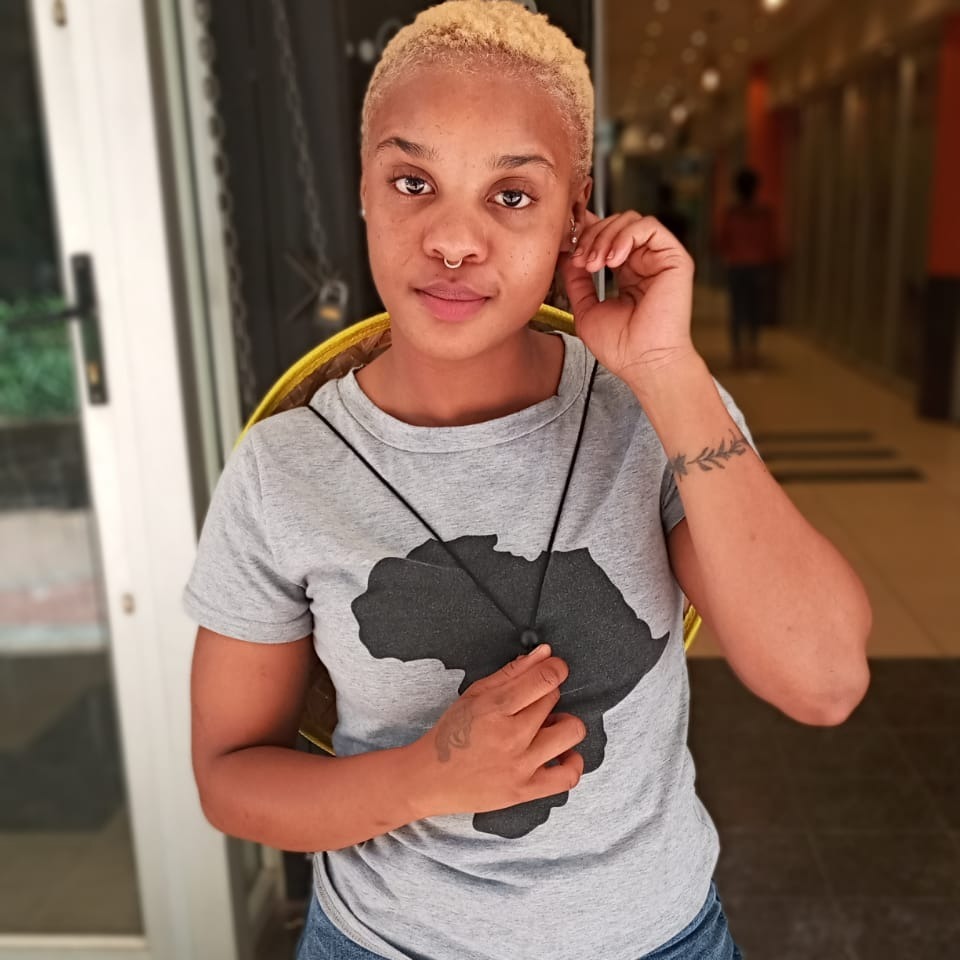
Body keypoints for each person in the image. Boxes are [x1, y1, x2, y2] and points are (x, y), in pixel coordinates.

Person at [184, 4, 871, 959]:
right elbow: (229, 778)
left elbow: (824, 682)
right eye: (413, 182)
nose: (453, 240)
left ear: (576, 213)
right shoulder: (285, 468)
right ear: (365, 192)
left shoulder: (650, 410)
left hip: (658, 938)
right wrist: (429, 775)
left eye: (511, 194)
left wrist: (667, 370)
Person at [718, 167, 778, 368]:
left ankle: (737, 353)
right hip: (759, 266)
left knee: (737, 309)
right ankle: (752, 349)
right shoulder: (765, 214)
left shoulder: (732, 213)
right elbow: (771, 241)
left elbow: (722, 240)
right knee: (755, 309)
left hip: (737, 266)